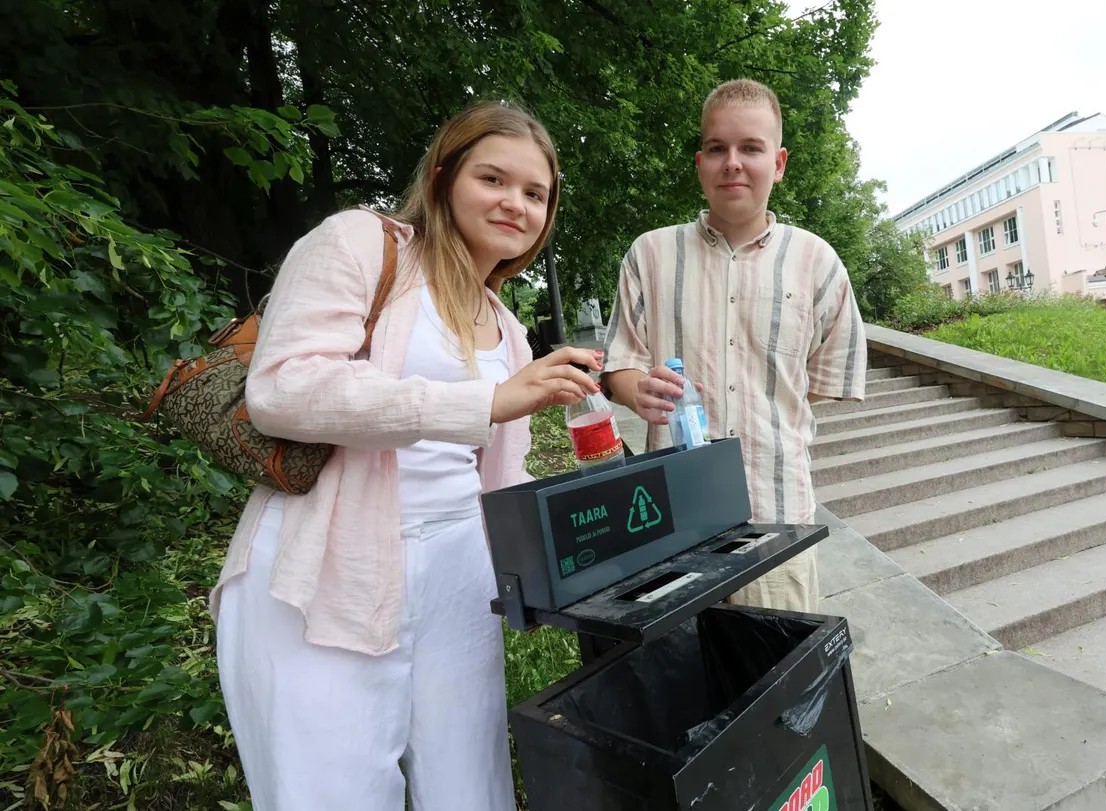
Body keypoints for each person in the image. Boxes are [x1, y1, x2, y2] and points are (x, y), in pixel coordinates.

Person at [211, 101, 601, 811]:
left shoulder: (509, 330)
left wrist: (578, 545)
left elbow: (499, 477)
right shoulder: (363, 244)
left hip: (458, 575)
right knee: (331, 792)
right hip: (328, 573)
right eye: (494, 178)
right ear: (446, 173)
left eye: (535, 193)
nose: (515, 202)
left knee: (471, 791)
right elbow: (283, 388)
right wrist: (482, 403)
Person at [600, 79, 867, 612]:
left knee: (775, 683)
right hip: (672, 522)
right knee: (684, 686)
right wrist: (638, 392)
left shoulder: (817, 263)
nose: (733, 162)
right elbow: (617, 367)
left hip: (777, 519)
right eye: (718, 148)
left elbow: (818, 385)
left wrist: (761, 400)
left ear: (780, 162)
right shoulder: (649, 255)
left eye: (751, 148)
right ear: (700, 162)